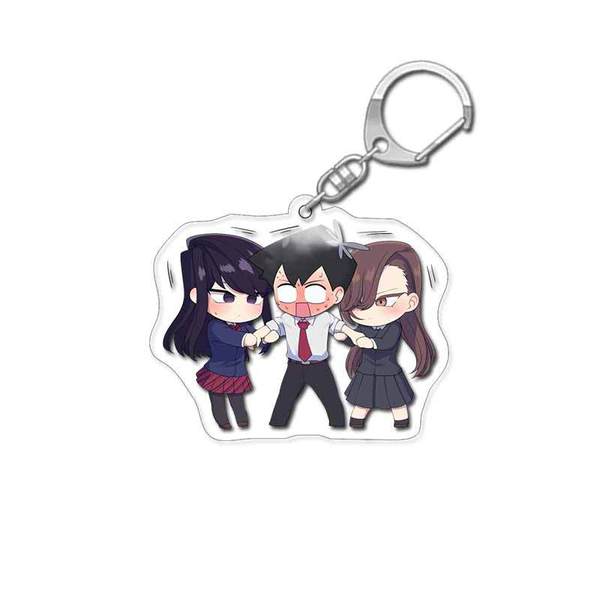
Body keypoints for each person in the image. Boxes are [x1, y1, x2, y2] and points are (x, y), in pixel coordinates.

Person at [251, 225, 365, 428]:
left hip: (319, 366)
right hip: (294, 366)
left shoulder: (324, 318)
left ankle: (338, 426)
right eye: (286, 292)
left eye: (315, 293)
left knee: (331, 400)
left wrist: (355, 336)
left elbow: (340, 327)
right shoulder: (287, 318)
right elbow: (272, 327)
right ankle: (277, 426)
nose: (300, 303)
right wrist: (259, 335)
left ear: (336, 294)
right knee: (284, 399)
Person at [163, 234, 272, 430]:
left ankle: (242, 422)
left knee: (237, 400)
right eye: (226, 297)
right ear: (196, 294)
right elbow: (237, 338)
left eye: (252, 298)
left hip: (238, 371)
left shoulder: (244, 326)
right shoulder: (216, 327)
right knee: (218, 400)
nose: (240, 308)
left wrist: (264, 337)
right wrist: (250, 339)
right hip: (218, 372)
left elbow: (253, 335)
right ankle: (223, 423)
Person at [338, 241, 436, 429]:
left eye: (382, 301)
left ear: (411, 301)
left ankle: (402, 423)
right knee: (362, 401)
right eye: (360, 302)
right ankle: (356, 424)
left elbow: (386, 343)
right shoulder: (364, 327)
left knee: (396, 401)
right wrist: (346, 338)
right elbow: (357, 338)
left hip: (388, 371)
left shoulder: (394, 328)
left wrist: (369, 343)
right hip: (366, 371)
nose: (369, 310)